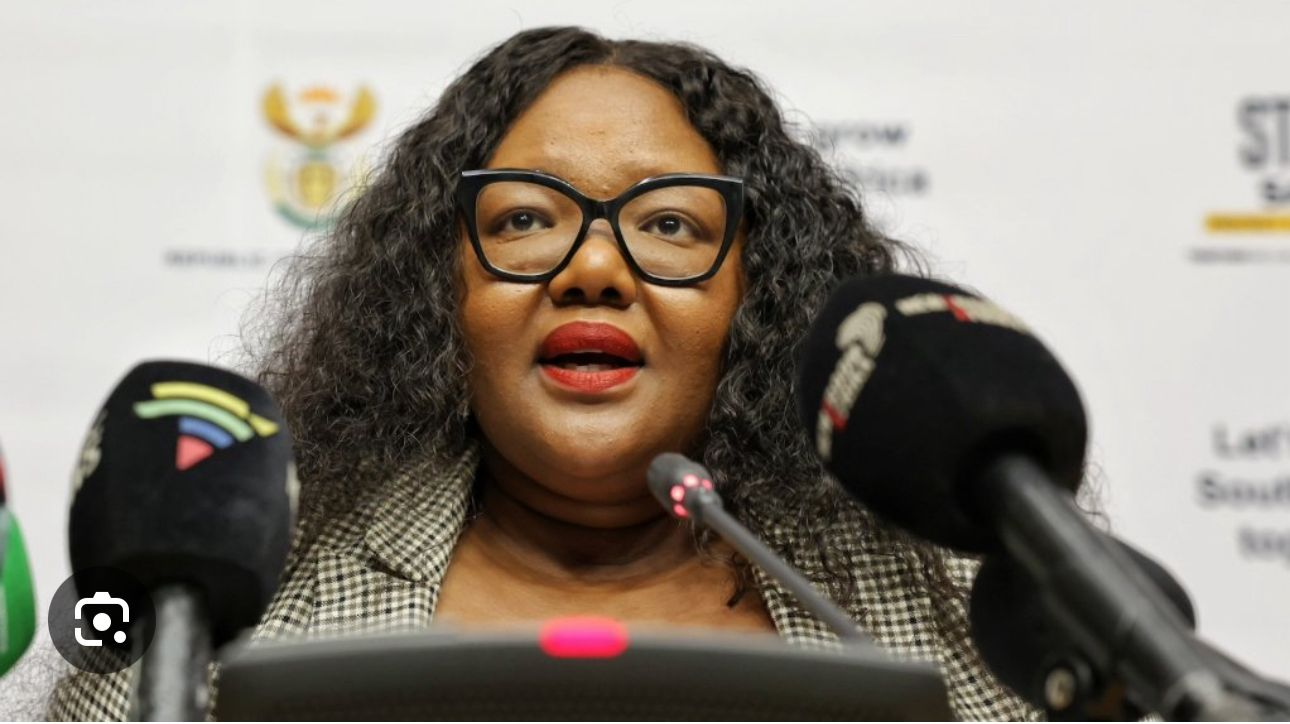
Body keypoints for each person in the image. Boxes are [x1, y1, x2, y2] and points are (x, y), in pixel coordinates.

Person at [47, 26, 1036, 720]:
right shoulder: (218, 599)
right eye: (525, 219)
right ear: (439, 289)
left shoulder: (951, 601)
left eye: (669, 224)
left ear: (757, 296)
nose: (594, 268)